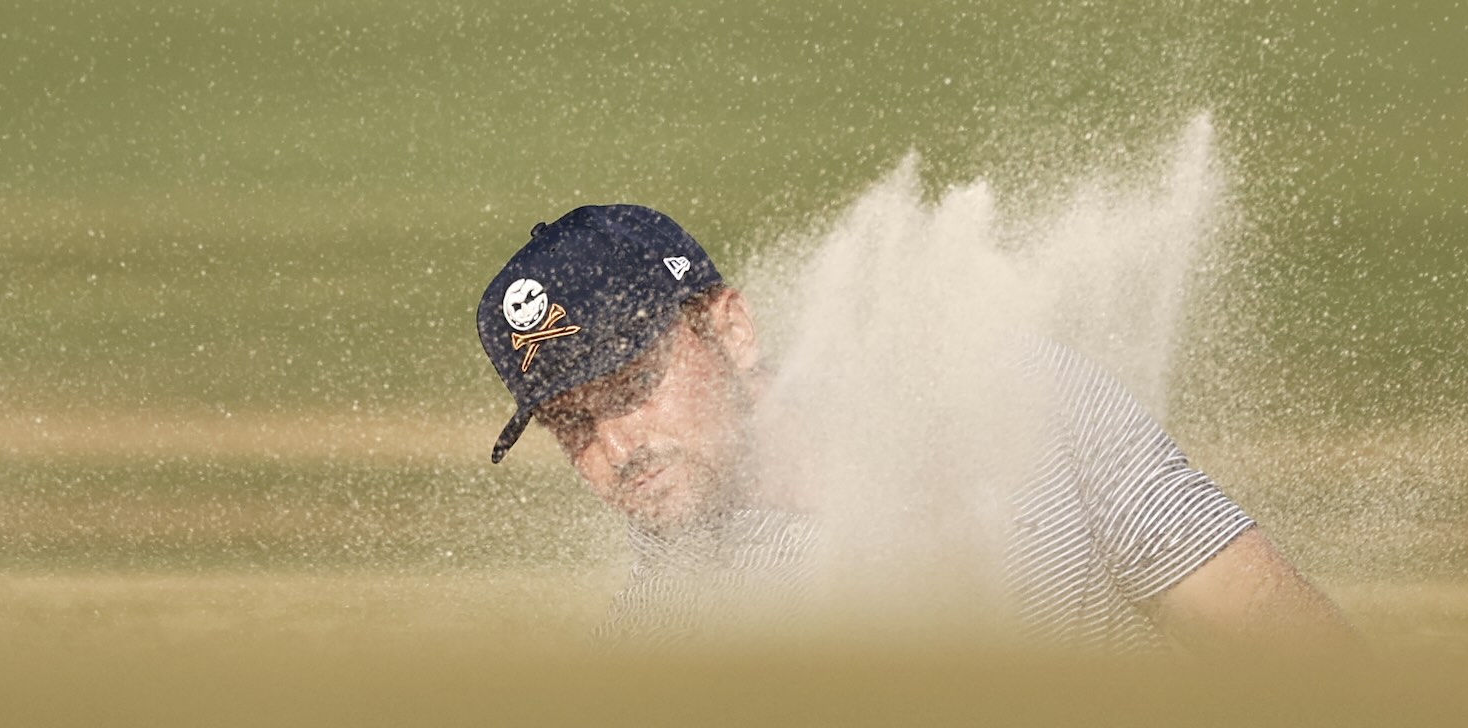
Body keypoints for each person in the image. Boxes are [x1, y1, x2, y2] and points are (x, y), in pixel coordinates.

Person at [478, 203, 1354, 650]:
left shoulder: (1012, 394)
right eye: (571, 428)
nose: (618, 452)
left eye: (632, 388)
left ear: (730, 329)